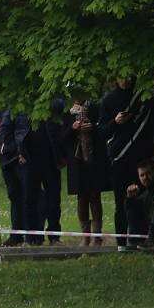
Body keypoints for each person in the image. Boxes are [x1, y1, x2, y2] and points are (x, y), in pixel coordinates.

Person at [99, 76, 154, 247]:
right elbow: (102, 132)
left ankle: (141, 239)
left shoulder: (144, 97)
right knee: (121, 202)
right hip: (119, 159)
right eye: (121, 77)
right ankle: (121, 243)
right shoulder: (108, 100)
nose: (124, 80)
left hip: (141, 159)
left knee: (143, 200)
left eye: (128, 77)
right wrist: (115, 122)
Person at [61, 98, 108, 245]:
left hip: (94, 158)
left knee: (95, 195)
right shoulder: (67, 112)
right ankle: (85, 235)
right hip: (77, 160)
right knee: (82, 198)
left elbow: (103, 131)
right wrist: (73, 128)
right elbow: (62, 138)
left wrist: (92, 127)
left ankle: (97, 235)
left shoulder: (95, 108)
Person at [25, 99, 66, 244]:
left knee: (53, 200)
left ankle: (54, 235)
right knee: (31, 199)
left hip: (51, 159)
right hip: (30, 159)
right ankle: (33, 236)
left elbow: (60, 128)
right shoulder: (25, 102)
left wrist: (61, 155)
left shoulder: (55, 102)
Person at [0, 109, 33, 245]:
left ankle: (30, 235)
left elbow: (21, 131)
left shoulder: (20, 108)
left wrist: (21, 152)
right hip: (6, 158)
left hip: (18, 158)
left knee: (27, 197)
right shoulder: (2, 107)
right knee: (15, 197)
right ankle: (16, 235)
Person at [122, 159, 154, 246]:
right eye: (142, 175)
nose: (145, 177)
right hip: (152, 227)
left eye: (148, 173)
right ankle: (136, 242)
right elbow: (129, 208)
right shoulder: (147, 193)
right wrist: (129, 197)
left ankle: (152, 240)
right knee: (132, 207)